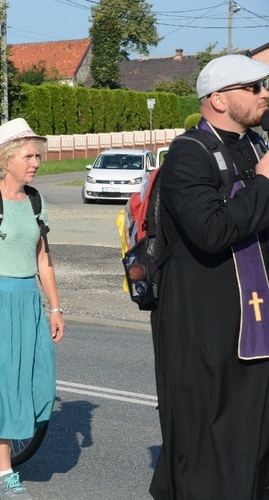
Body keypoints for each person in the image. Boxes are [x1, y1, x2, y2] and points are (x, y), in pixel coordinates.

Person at [150, 54, 269, 498]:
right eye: (253, 87)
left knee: (252, 434)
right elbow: (211, 231)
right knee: (205, 437)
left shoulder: (255, 145)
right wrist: (262, 185)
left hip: (253, 318)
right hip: (201, 324)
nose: (264, 94)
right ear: (218, 99)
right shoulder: (188, 152)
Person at [0, 118, 64, 499]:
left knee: (37, 381)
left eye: (38, 154)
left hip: (27, 302)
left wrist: (55, 307)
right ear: (5, 159)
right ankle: (4, 476)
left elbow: (43, 260)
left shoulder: (36, 200)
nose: (35, 162)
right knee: (2, 386)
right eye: (28, 155)